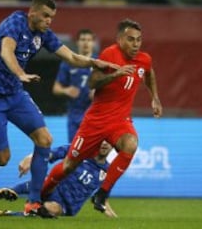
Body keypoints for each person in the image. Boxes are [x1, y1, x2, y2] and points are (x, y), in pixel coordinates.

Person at [0, 0, 121, 215]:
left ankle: (33, 201)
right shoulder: (15, 22)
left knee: (45, 139)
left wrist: (94, 62)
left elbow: (72, 57)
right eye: (45, 16)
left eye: (52, 17)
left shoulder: (43, 34)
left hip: (15, 94)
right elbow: (6, 51)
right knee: (1, 159)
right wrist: (20, 73)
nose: (49, 21)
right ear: (32, 12)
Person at [41, 18, 163, 213]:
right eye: (131, 40)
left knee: (131, 145)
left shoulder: (144, 59)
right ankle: (42, 194)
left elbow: (149, 73)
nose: (136, 44)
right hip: (96, 121)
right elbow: (92, 82)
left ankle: (102, 194)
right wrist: (116, 74)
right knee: (69, 165)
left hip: (120, 121)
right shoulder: (109, 54)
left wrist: (155, 97)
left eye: (139, 40)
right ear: (120, 39)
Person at [0, 141, 117, 218]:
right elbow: (51, 153)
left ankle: (9, 214)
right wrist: (31, 158)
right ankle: (12, 191)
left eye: (108, 142)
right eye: (102, 140)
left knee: (51, 209)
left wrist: (110, 215)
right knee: (47, 181)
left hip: (66, 205)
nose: (105, 144)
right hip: (53, 188)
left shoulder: (108, 172)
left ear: (113, 146)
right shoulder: (79, 151)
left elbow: (102, 197)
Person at [52, 29, 96, 142]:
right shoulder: (69, 62)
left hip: (94, 114)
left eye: (89, 40)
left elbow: (111, 87)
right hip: (74, 114)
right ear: (77, 42)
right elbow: (56, 88)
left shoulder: (99, 63)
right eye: (83, 39)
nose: (86, 43)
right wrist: (66, 90)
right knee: (73, 151)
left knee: (92, 151)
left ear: (93, 43)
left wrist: (99, 92)